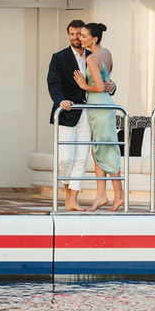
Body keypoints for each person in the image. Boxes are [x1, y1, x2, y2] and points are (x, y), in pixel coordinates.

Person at [46, 19, 117, 211]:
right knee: (64, 158)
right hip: (67, 112)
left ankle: (72, 200)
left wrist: (112, 86)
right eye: (72, 34)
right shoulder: (58, 57)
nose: (77, 38)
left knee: (81, 158)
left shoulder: (93, 54)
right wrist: (61, 101)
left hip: (89, 112)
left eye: (80, 34)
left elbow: (103, 80)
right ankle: (68, 195)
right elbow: (54, 84)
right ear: (68, 35)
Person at [73, 22, 125, 212]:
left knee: (107, 151)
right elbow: (107, 80)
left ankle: (119, 196)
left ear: (94, 39)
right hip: (103, 106)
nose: (81, 39)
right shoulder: (107, 53)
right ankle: (101, 195)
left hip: (100, 107)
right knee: (98, 151)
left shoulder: (92, 58)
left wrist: (83, 85)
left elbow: (100, 87)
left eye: (84, 36)